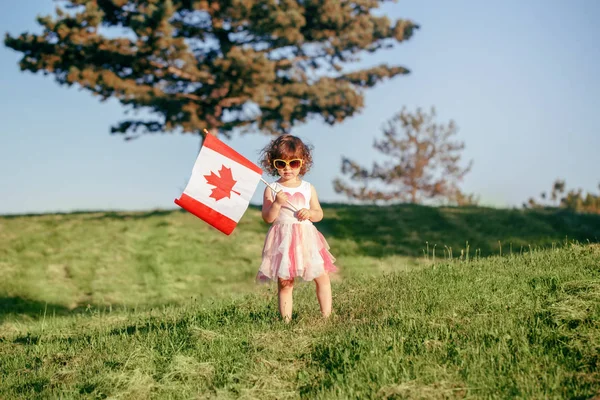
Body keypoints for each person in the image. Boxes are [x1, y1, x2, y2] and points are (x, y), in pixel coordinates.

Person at [257, 134, 338, 322]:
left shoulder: (307, 188)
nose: (287, 169)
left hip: (306, 239)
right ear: (273, 163)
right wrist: (276, 204)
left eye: (293, 163)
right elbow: (267, 218)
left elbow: (319, 213)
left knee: (322, 276)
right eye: (281, 163)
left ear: (302, 163)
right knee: (285, 283)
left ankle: (327, 316)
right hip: (283, 240)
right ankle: (286, 321)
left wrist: (309, 213)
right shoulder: (272, 188)